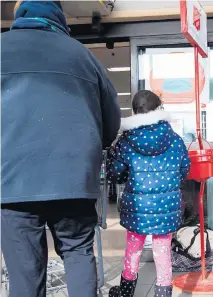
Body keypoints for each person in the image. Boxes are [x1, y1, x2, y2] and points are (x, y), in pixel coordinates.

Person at [1, 2, 120, 297]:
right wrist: (93, 148)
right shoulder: (82, 55)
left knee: (24, 271)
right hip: (73, 179)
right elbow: (111, 117)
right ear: (58, 18)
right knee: (78, 253)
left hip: (13, 182)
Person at [107, 90, 191, 297]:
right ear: (158, 109)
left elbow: (115, 174)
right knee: (162, 252)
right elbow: (185, 169)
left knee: (133, 249)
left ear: (135, 111)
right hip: (166, 206)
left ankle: (126, 292)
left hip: (137, 207)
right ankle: (163, 293)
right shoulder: (174, 139)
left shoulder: (126, 141)